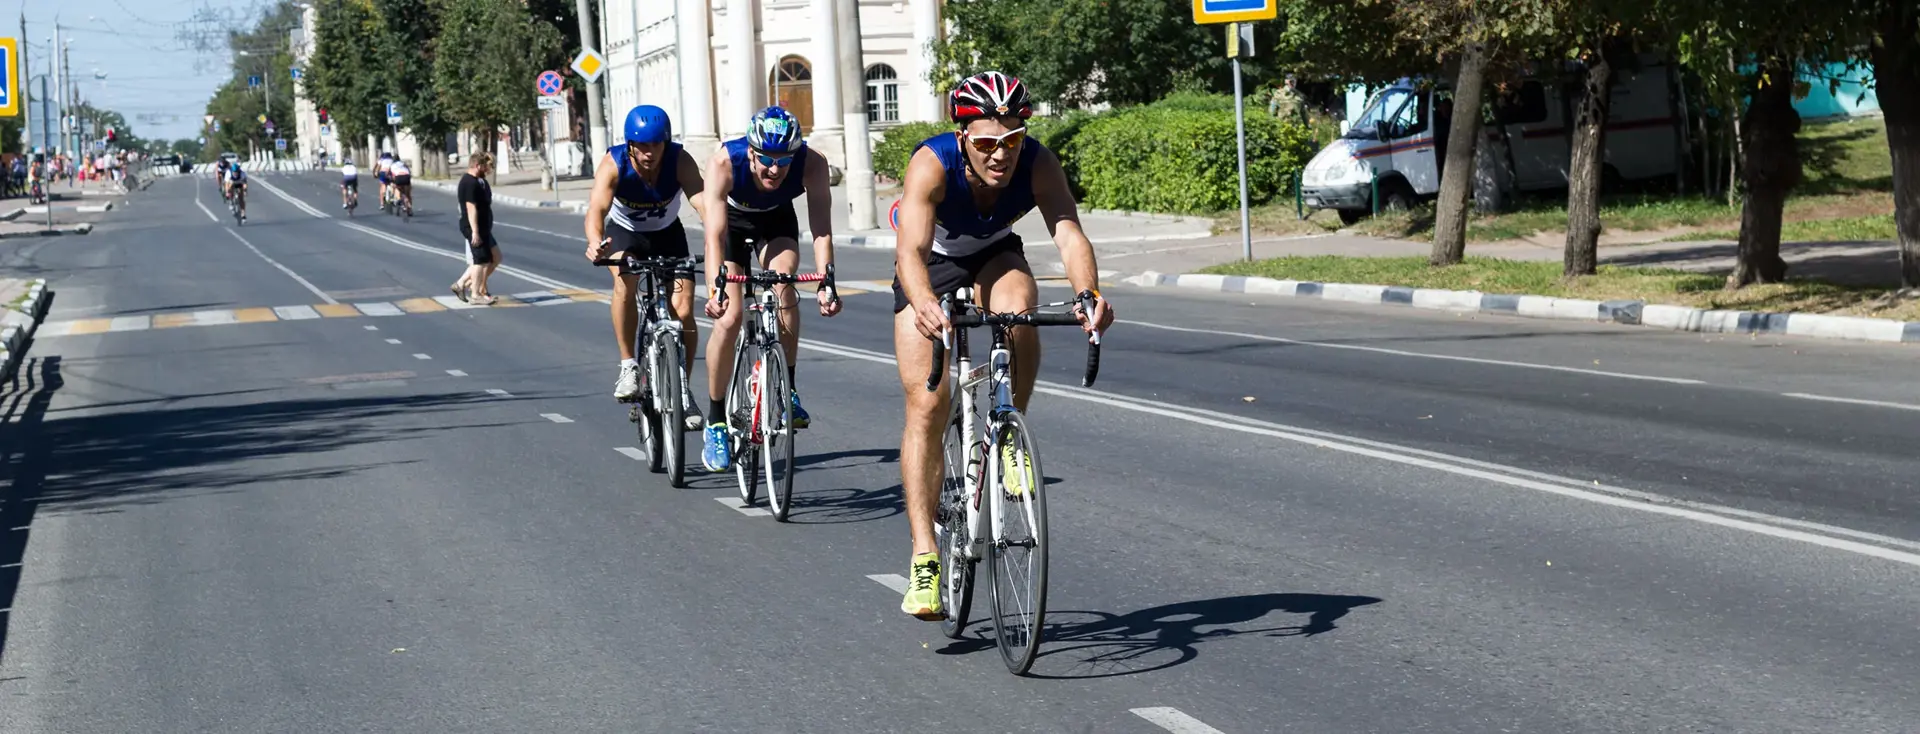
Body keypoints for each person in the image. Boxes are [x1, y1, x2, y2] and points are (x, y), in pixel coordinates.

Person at [890, 71, 1114, 620]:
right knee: (927, 404)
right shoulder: (932, 163)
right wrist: (923, 302)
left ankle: (1010, 429)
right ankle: (925, 557)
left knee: (1020, 312)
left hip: (993, 254)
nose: (1001, 154)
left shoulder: (1037, 162)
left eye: (1011, 140)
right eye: (988, 142)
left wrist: (1088, 293)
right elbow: (910, 251)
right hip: (932, 264)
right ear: (963, 137)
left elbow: (1068, 231)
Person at [696, 105, 841, 473]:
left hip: (776, 220)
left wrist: (827, 282)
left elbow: (822, 229)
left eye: (784, 161)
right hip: (731, 225)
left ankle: (787, 389)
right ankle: (715, 421)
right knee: (729, 319)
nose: (775, 170)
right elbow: (713, 237)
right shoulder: (724, 163)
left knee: (784, 282)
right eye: (766, 160)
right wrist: (715, 290)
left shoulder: (812, 163)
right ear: (751, 152)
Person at [583, 105, 709, 424]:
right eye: (642, 146)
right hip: (625, 234)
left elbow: (703, 203)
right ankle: (628, 365)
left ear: (666, 143)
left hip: (668, 234)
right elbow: (596, 210)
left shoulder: (680, 160)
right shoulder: (614, 163)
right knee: (625, 281)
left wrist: (717, 237)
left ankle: (682, 390)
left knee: (683, 309)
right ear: (630, 145)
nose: (649, 153)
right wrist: (595, 242)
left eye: (656, 145)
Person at [453, 153, 500, 305]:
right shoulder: (469, 183)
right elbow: (470, 208)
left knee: (493, 258)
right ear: (478, 166)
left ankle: (463, 285)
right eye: (485, 166)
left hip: (483, 227)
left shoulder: (478, 181)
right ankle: (476, 294)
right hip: (474, 227)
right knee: (480, 261)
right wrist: (475, 231)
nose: (487, 169)